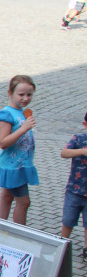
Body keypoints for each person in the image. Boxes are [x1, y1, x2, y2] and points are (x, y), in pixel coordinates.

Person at [0, 75, 38, 225]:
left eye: (29, 94)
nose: (25, 98)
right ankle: (19, 234)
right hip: (13, 166)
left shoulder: (23, 112)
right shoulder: (6, 114)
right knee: (24, 202)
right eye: (21, 95)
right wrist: (24, 128)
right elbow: (3, 142)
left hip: (21, 165)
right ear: (10, 93)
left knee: (7, 197)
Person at [60, 111, 87, 262]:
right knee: (68, 220)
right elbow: (64, 153)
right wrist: (82, 151)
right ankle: (62, 244)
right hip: (74, 190)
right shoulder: (79, 138)